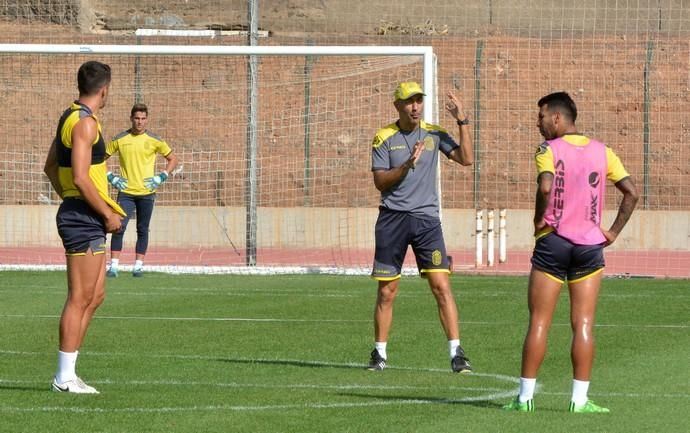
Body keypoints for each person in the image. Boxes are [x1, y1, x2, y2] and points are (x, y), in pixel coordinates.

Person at [503, 92, 639, 413]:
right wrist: (613, 231)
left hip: (554, 242)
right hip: (590, 247)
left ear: (558, 118)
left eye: (541, 117)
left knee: (539, 321)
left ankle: (524, 399)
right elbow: (632, 192)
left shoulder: (547, 149)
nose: (538, 124)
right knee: (584, 323)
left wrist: (539, 218)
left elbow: (546, 186)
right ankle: (579, 401)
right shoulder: (603, 151)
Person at [368, 81, 474, 373]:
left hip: (427, 221)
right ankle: (379, 353)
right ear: (397, 105)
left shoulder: (434, 133)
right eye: (409, 101)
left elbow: (466, 159)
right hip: (393, 220)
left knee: (441, 286)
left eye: (419, 100)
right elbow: (380, 182)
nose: (415, 106)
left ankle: (457, 353)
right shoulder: (383, 138)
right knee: (388, 290)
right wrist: (406, 166)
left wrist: (462, 120)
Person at [43, 60, 125, 393]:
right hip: (85, 216)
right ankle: (63, 378)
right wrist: (104, 213)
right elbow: (78, 175)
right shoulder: (85, 124)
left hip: (82, 211)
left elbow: (50, 167)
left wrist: (72, 199)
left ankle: (70, 372)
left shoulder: (69, 116)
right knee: (79, 297)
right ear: (104, 89)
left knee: (96, 295)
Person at [104, 103, 178, 277]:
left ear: (147, 120)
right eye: (137, 118)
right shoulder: (120, 139)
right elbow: (101, 159)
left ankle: (138, 266)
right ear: (131, 119)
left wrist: (162, 176)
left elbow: (173, 159)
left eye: (143, 119)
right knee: (118, 227)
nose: (140, 122)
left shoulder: (155, 140)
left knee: (143, 229)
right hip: (126, 193)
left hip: (147, 193)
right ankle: (114, 266)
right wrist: (111, 176)